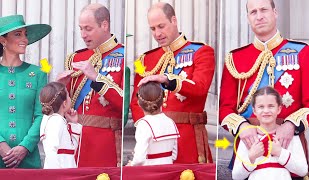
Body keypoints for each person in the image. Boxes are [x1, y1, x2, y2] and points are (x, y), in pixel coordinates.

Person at [219, 0, 309, 178]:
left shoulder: (303, 52)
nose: (259, 16)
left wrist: (290, 125)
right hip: (250, 145)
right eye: (253, 12)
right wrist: (243, 127)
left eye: (264, 10)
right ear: (248, 18)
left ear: (275, 12)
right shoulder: (235, 58)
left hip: (288, 144)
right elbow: (225, 109)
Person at [130, 2, 215, 164]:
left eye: (161, 26)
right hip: (155, 142)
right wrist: (148, 130)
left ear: (174, 20)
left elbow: (200, 88)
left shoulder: (202, 52)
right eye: (153, 29)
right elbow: (136, 102)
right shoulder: (144, 60)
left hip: (187, 139)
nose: (157, 33)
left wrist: (168, 80)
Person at [57, 3, 124, 167]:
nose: (83, 34)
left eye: (88, 28)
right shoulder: (75, 58)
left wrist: (96, 78)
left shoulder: (124, 56)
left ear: (104, 25)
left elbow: (126, 104)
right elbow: (65, 108)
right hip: (75, 142)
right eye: (80, 29)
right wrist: (59, 89)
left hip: (105, 144)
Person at [0, 15, 51, 168]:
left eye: (25, 34)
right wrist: (1, 145)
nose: (25, 39)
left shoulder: (39, 73)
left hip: (28, 158)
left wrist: (25, 146)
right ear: (3, 40)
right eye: (18, 34)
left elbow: (41, 114)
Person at [232, 87, 308, 180]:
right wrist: (251, 157)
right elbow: (236, 176)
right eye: (261, 107)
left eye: (271, 106)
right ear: (254, 110)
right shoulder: (248, 137)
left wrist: (280, 153)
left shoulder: (291, 136)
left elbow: (303, 170)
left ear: (279, 109)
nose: (266, 111)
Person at [129, 82, 179, 166]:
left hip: (150, 173)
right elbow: (174, 155)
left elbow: (139, 160)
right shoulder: (170, 121)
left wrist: (131, 164)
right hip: (168, 171)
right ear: (162, 100)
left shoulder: (143, 124)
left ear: (139, 103)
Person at [39, 82, 82, 169]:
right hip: (60, 173)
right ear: (64, 103)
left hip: (66, 170)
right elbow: (51, 151)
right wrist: (57, 175)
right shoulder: (55, 122)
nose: (70, 98)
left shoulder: (56, 120)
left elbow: (70, 149)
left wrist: (73, 124)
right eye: (69, 96)